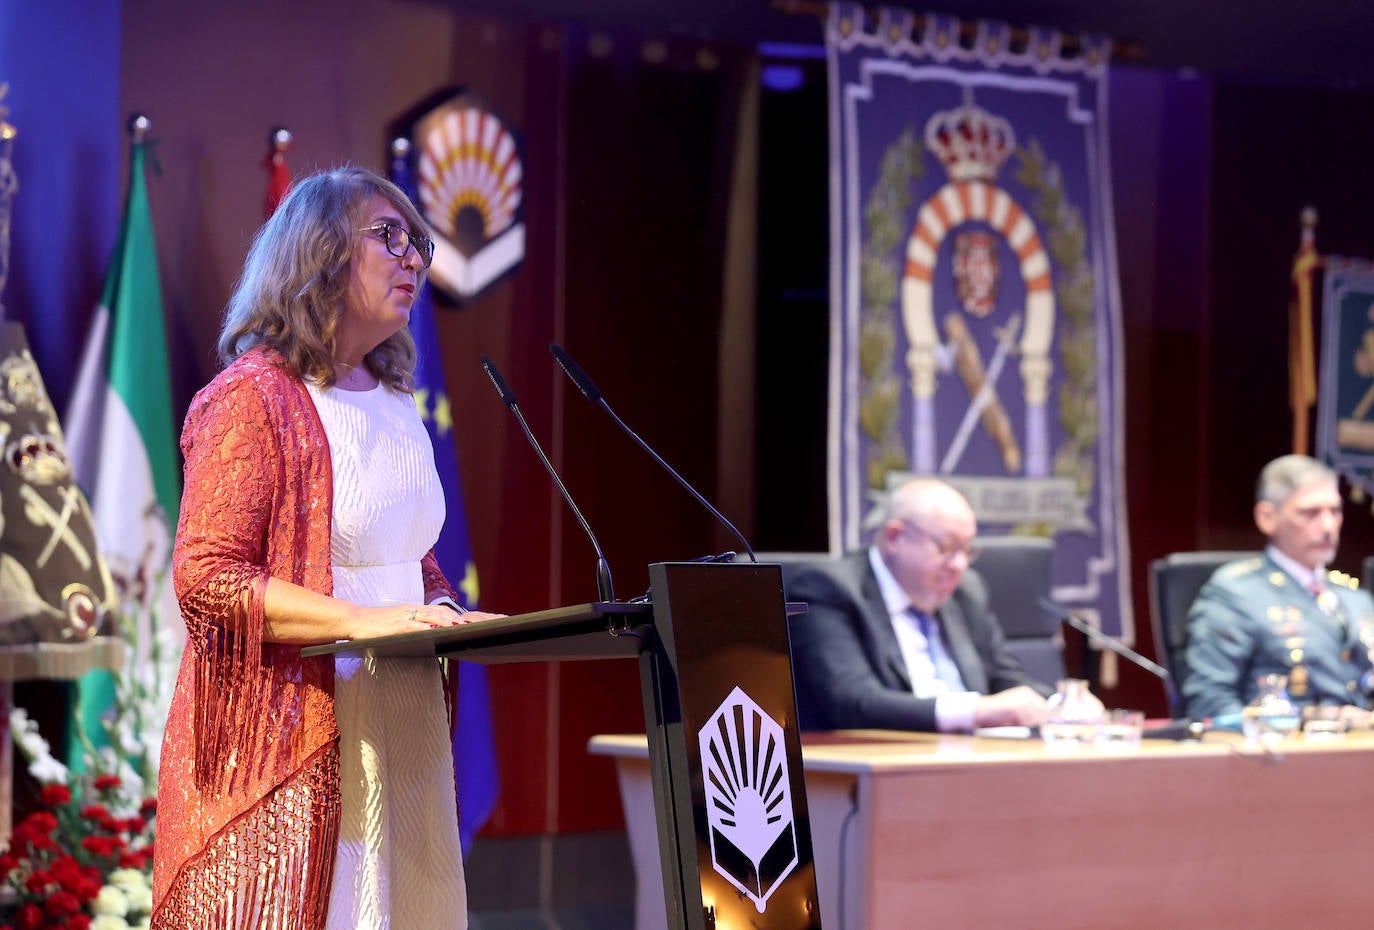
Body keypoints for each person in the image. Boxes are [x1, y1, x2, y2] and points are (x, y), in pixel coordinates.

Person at [151, 167, 503, 930]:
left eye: (418, 241)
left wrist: (450, 612)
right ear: (319, 254)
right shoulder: (254, 398)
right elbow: (208, 579)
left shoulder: (398, 401)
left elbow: (410, 554)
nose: (414, 258)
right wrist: (365, 622)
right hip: (301, 736)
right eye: (389, 236)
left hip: (402, 715)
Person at [787, 478, 1054, 732]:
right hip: (887, 761)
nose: (959, 565)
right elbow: (854, 701)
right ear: (895, 537)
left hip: (977, 758)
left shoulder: (966, 590)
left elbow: (1005, 679)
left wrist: (1062, 705)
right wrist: (974, 711)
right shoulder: (828, 588)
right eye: (946, 548)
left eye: (967, 550)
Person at [1184, 454, 1374, 722]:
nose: (1329, 526)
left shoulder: (1355, 598)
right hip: (1284, 754)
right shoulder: (1236, 594)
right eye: (1310, 513)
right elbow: (1210, 704)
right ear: (1267, 517)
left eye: (1335, 511)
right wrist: (1324, 718)